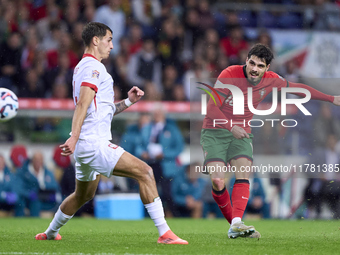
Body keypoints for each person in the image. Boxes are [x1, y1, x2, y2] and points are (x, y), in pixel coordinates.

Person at [35, 22, 187, 245]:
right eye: (109, 40)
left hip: (88, 144)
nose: (112, 46)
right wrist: (74, 136)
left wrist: (127, 102)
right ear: (95, 40)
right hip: (94, 143)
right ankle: (165, 233)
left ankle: (50, 232)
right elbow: (83, 105)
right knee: (145, 172)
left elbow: (102, 110)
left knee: (83, 195)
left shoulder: (83, 67)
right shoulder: (93, 67)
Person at [200, 43, 340, 239]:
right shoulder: (229, 74)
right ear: (246, 61)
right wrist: (231, 126)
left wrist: (330, 98)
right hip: (215, 130)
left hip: (241, 134)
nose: (255, 69)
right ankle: (235, 224)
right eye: (252, 63)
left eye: (260, 66)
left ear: (267, 69)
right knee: (217, 180)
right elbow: (212, 109)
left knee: (243, 172)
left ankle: (237, 224)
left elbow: (300, 89)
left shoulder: (272, 80)